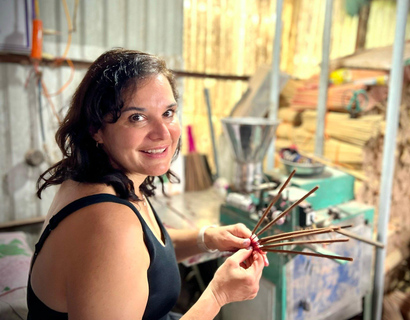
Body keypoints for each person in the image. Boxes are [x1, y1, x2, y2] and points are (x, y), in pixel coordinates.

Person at [28, 48, 266, 320]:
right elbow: (121, 246)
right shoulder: (109, 225)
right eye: (136, 117)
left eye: (168, 112)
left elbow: (144, 251)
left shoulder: (103, 180)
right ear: (96, 129)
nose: (163, 133)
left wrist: (206, 239)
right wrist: (218, 295)